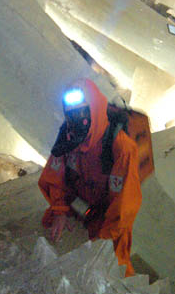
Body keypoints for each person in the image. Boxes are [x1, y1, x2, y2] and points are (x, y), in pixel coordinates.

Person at [38, 78, 142, 276]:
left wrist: (101, 243)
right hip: (79, 208)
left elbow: (125, 205)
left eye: (82, 113)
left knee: (113, 272)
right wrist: (59, 210)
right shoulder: (67, 138)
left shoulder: (121, 148)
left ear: (93, 110)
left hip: (109, 220)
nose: (77, 120)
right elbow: (53, 176)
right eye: (72, 115)